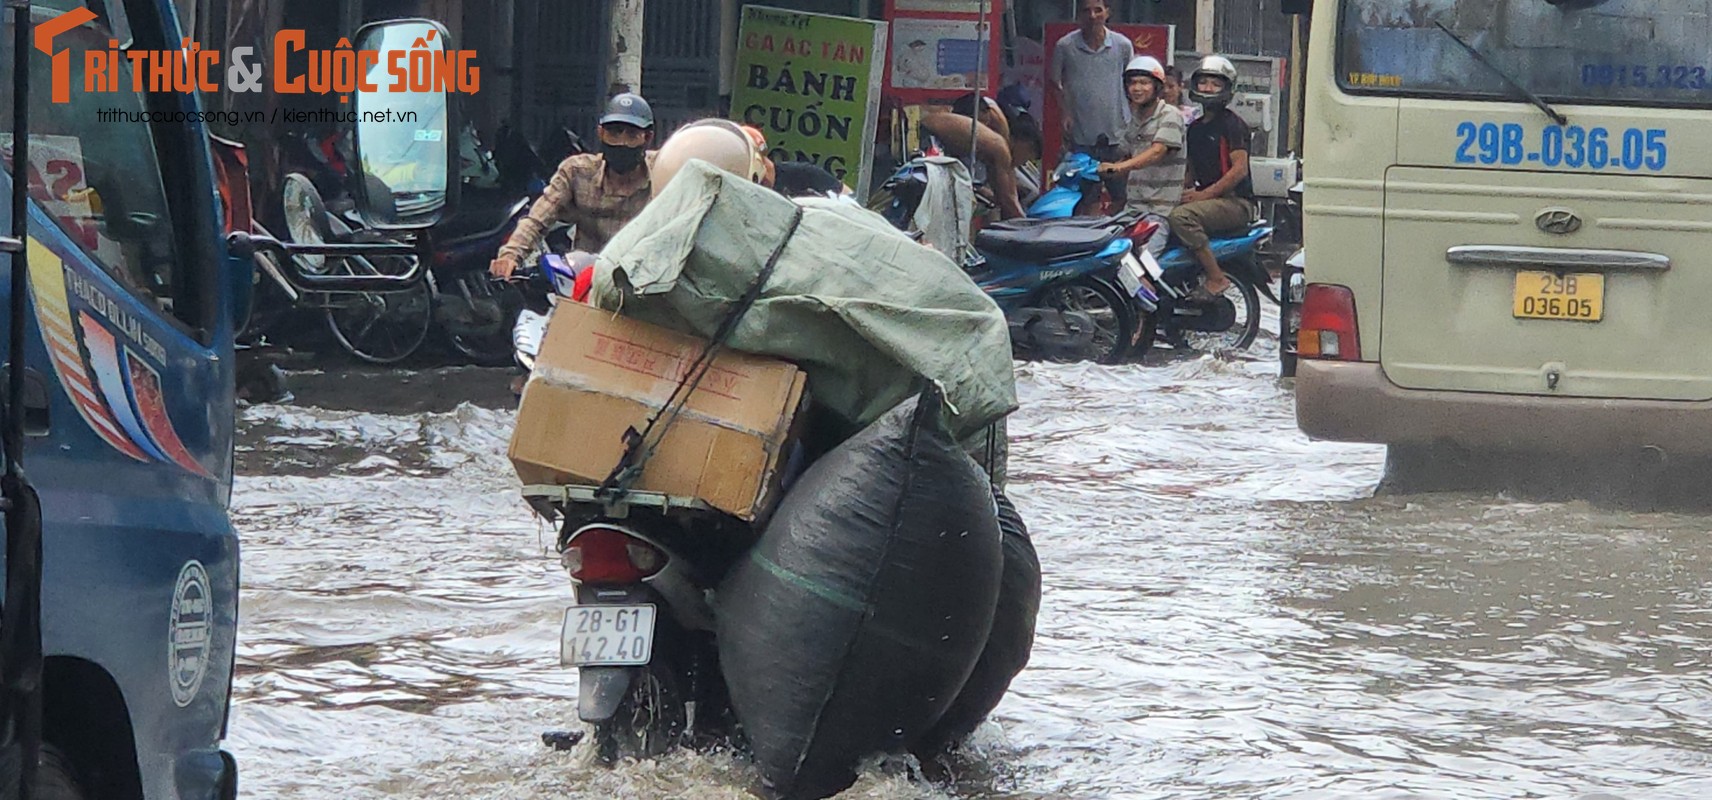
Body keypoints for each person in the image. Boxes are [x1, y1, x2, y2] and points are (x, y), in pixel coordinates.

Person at [489, 92, 657, 278]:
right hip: (587, 284)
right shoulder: (576, 171)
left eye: (632, 135)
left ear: (647, 137)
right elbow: (537, 219)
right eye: (614, 133)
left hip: (645, 285)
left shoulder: (663, 170)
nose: (622, 142)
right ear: (600, 133)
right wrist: (510, 255)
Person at [1168, 56, 1252, 296]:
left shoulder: (1233, 125)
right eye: (1203, 82)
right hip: (1210, 200)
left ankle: (1216, 278)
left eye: (1215, 84)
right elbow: (1189, 173)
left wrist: (1203, 195)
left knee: (1181, 218)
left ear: (1228, 89)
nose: (1208, 88)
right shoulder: (1194, 128)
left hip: (1235, 202)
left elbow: (1239, 170)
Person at [1097, 56, 1186, 256]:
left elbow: (1157, 152)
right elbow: (1124, 151)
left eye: (1144, 83)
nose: (1137, 88)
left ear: (1157, 87)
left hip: (1158, 211)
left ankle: (1148, 287)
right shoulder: (1136, 119)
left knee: (1142, 269)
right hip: (1133, 209)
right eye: (1132, 83)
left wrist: (1120, 167)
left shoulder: (1170, 115)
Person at [1050, 0, 1134, 211]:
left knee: (1122, 196)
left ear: (1107, 12)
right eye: (1086, 11)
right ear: (1079, 15)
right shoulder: (1065, 46)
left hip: (1117, 134)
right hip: (1081, 137)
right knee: (1085, 199)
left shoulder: (1122, 45)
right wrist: (1065, 113)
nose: (1093, 15)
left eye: (1098, 10)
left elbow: (1132, 83)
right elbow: (1055, 83)